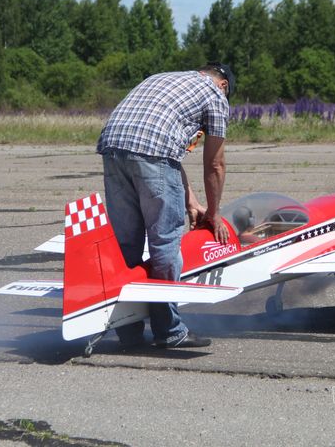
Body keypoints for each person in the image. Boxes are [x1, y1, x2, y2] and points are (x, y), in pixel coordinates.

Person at [96, 63, 234, 348]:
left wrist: (192, 202)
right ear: (223, 85)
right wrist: (214, 213)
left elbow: (170, 155)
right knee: (165, 244)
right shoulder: (215, 95)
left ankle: (128, 328)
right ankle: (169, 330)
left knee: (127, 245)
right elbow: (215, 164)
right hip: (153, 156)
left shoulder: (163, 78)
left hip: (112, 149)